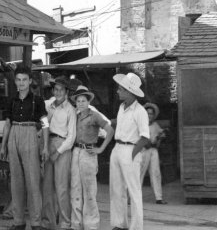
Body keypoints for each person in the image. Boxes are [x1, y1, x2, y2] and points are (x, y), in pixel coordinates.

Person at [1, 64, 50, 230]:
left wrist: (45, 147)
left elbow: (44, 124)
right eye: (18, 80)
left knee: (33, 179)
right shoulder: (11, 100)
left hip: (30, 133)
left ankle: (36, 222)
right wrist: (3, 145)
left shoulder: (38, 100)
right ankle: (18, 221)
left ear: (30, 81)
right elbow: (7, 124)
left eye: (24, 80)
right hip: (14, 133)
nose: (21, 83)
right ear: (15, 81)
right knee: (16, 181)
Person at [70, 86, 113, 230]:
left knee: (89, 189)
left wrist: (101, 148)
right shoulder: (75, 116)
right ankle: (76, 223)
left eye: (83, 100)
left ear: (88, 102)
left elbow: (109, 129)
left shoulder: (94, 115)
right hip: (76, 151)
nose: (81, 103)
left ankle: (91, 224)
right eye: (78, 101)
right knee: (75, 187)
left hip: (89, 152)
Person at [109, 73, 149, 230]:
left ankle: (136, 227)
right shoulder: (121, 107)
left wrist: (132, 155)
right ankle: (119, 224)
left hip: (130, 150)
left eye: (120, 89)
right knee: (116, 190)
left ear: (129, 91)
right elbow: (120, 127)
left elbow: (145, 137)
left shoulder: (140, 111)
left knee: (134, 191)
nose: (118, 91)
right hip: (117, 149)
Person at [41, 76, 77, 230]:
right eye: (56, 89)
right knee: (47, 186)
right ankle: (48, 222)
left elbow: (72, 137)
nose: (58, 92)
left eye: (61, 89)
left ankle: (65, 223)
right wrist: (44, 146)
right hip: (48, 143)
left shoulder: (70, 110)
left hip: (63, 146)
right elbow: (43, 123)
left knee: (61, 187)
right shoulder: (49, 105)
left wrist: (58, 152)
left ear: (67, 91)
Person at [139, 102, 165, 205]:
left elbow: (161, 134)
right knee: (139, 173)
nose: (149, 116)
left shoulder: (155, 125)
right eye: (147, 113)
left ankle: (159, 197)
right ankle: (132, 197)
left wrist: (160, 137)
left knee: (156, 173)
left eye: (151, 114)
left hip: (153, 151)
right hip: (143, 151)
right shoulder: (140, 125)